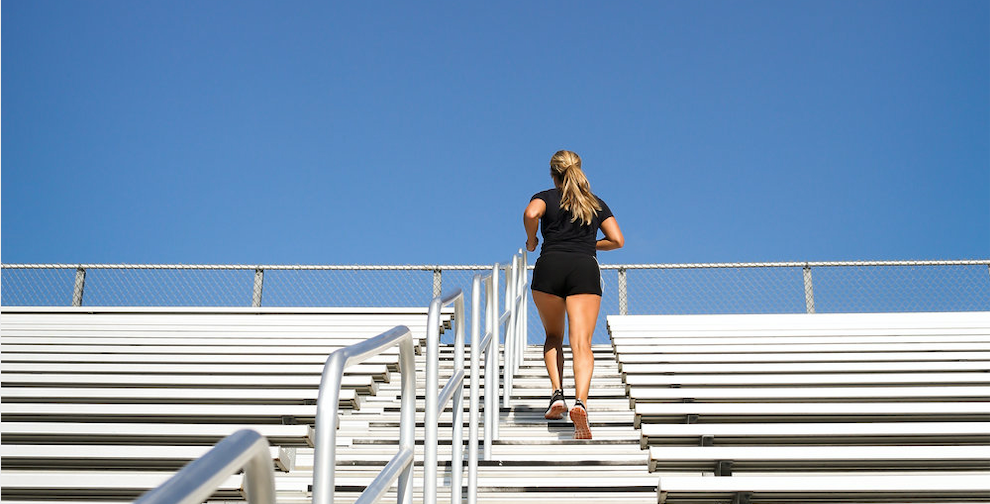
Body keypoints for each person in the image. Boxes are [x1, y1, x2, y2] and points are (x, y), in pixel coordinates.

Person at [523, 150, 624, 440]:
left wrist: (532, 241)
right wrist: (591, 245)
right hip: (583, 269)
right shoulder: (595, 203)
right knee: (582, 343)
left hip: (549, 267)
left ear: (553, 174)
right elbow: (617, 240)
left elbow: (531, 214)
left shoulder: (545, 197)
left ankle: (557, 395)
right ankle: (581, 402)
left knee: (553, 336)